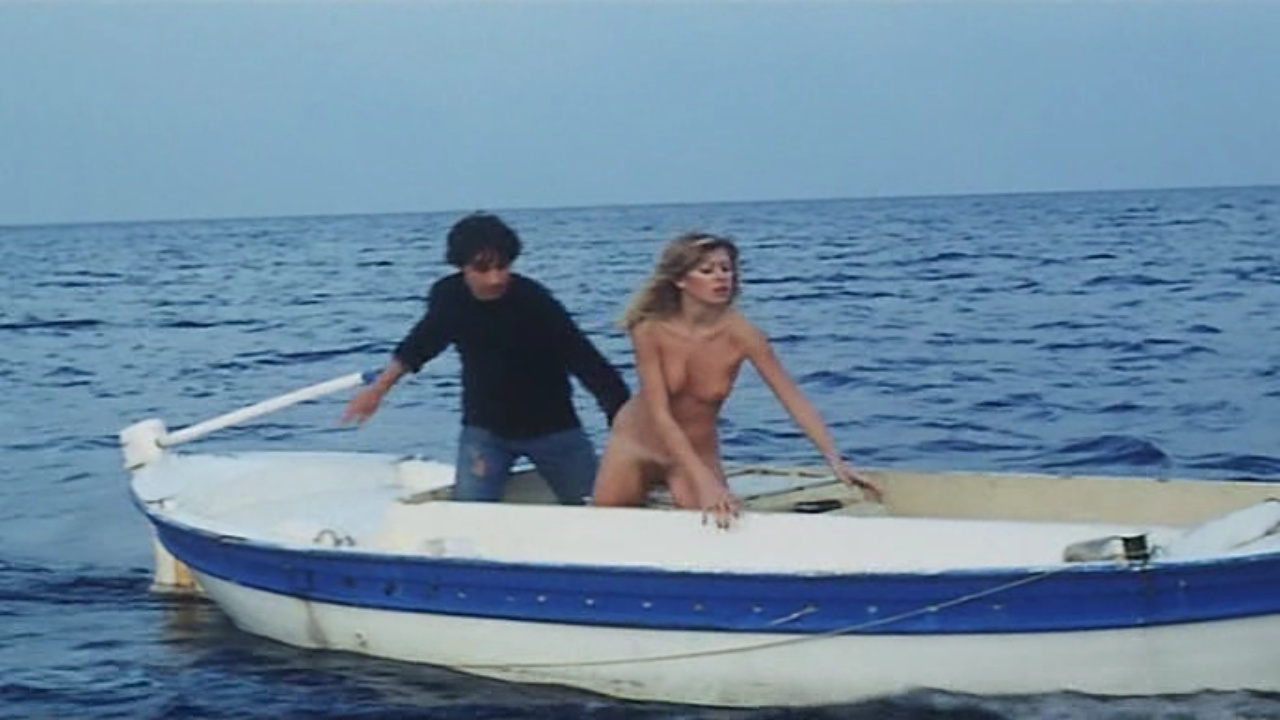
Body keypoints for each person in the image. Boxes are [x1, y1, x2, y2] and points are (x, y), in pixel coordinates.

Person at [592, 231, 882, 527]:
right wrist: (704, 481)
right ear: (680, 280)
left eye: (726, 269)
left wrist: (834, 459)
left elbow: (792, 399)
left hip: (698, 448)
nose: (721, 277)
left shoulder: (744, 334)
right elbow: (660, 413)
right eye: (707, 271)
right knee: (604, 525)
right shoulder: (649, 329)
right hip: (636, 443)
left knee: (720, 525)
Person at [342, 212, 630, 505]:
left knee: (598, 508)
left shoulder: (534, 301)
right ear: (461, 267)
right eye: (482, 268)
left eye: (502, 267)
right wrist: (378, 390)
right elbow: (421, 344)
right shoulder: (449, 297)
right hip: (485, 432)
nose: (495, 278)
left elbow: (586, 360)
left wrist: (623, 419)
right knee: (470, 512)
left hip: (554, 429)